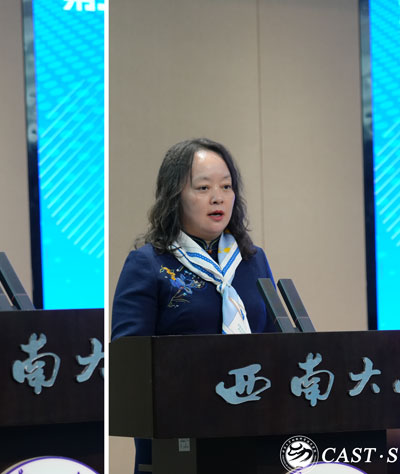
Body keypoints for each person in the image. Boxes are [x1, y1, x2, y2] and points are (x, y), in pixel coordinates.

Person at [110, 138, 277, 473]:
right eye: (203, 187)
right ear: (175, 196)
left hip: (252, 435)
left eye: (226, 186)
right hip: (178, 446)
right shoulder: (149, 263)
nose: (218, 197)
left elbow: (276, 344)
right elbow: (129, 365)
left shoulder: (251, 259)